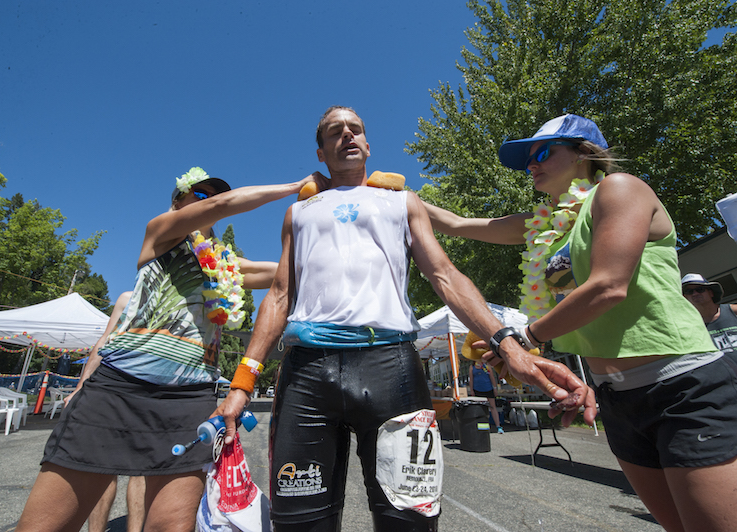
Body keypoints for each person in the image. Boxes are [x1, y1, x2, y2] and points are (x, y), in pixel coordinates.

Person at [214, 106, 596, 532]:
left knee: (410, 516)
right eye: (334, 132)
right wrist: (242, 384)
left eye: (355, 129)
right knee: (298, 520)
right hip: (307, 373)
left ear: (368, 144)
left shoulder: (402, 201)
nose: (347, 135)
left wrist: (509, 345)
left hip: (391, 370)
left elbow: (445, 275)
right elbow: (279, 297)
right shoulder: (299, 213)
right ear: (320, 153)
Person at [424, 114, 737, 532]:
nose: (531, 164)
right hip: (617, 397)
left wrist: (520, 342)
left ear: (584, 153)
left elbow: (609, 286)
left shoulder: (620, 190)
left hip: (681, 383)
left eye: (543, 152)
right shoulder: (544, 224)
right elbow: (457, 225)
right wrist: (386, 193)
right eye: (528, 158)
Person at [15, 167, 317, 532]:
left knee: (171, 524)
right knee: (46, 525)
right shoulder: (160, 232)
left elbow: (286, 270)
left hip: (188, 398)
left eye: (212, 194)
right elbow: (226, 204)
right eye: (199, 194)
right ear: (178, 202)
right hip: (119, 388)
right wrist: (294, 187)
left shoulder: (224, 267)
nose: (209, 200)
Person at [64, 291, 146, 532]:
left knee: (140, 469)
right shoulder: (127, 298)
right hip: (110, 387)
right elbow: (104, 341)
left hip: (148, 391)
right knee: (102, 467)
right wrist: (80, 387)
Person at [681, 273, 737, 360]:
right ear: (685, 298)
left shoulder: (733, 311)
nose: (695, 294)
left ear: (711, 293)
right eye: (689, 291)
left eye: (700, 289)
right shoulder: (687, 325)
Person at [468, 361, 503, 434]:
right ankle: (481, 427)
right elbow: (471, 379)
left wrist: (495, 388)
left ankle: (498, 426)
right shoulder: (472, 367)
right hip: (477, 389)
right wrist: (471, 390)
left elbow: (492, 377)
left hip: (488, 388)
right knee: (480, 408)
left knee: (492, 407)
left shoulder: (487, 365)